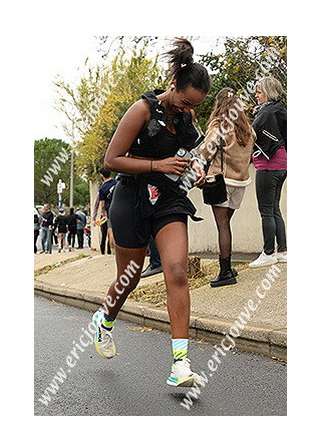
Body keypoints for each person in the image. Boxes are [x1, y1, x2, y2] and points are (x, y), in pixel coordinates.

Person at [91, 38, 210, 387]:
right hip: (131, 197)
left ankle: (180, 365)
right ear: (173, 85)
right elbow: (112, 160)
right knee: (129, 277)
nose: (187, 109)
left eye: (194, 106)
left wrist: (195, 170)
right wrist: (158, 164)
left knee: (176, 271)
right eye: (185, 102)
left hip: (168, 199)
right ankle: (104, 320)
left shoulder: (186, 116)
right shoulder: (141, 109)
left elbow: (186, 156)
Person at [200, 87, 255, 287]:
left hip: (221, 181)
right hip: (240, 182)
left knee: (222, 226)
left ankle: (225, 272)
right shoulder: (247, 127)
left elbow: (206, 151)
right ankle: (228, 268)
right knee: (226, 224)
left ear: (219, 104)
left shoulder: (219, 125)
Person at [249, 76, 287, 268]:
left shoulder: (265, 113)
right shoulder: (281, 110)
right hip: (282, 165)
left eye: (259, 92)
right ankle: (282, 251)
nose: (256, 96)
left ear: (268, 93)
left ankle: (268, 253)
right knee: (274, 208)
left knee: (266, 211)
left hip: (268, 165)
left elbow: (251, 134)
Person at [97, 168, 117, 254]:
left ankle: (113, 251)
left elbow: (102, 204)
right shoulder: (116, 182)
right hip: (120, 208)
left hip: (110, 211)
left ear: (102, 175)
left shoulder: (102, 188)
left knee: (111, 231)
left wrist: (103, 214)